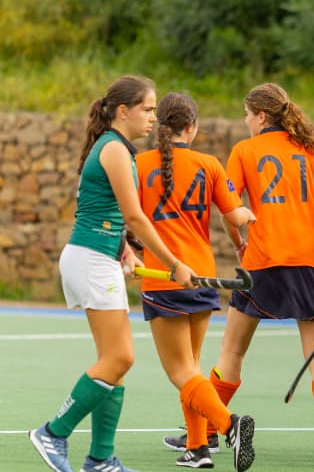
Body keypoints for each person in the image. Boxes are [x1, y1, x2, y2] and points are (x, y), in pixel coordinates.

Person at [29, 75, 195, 472]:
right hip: (89, 259)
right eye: (148, 109)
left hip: (99, 256)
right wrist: (174, 263)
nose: (154, 118)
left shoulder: (117, 148)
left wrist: (125, 251)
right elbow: (136, 215)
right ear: (124, 111)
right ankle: (53, 432)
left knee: (113, 364)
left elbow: (108, 211)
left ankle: (101, 459)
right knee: (120, 357)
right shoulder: (115, 150)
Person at [190, 82, 314, 463]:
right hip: (306, 262)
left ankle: (205, 434)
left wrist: (239, 244)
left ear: (261, 116)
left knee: (232, 349)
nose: (246, 122)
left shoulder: (244, 151)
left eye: (247, 116)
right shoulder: (313, 148)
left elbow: (228, 208)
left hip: (262, 261)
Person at [136, 92, 256, 470]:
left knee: (180, 372)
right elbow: (236, 216)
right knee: (193, 367)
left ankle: (228, 425)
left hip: (166, 277)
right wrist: (250, 213)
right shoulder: (209, 163)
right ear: (192, 127)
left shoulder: (139, 163)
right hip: (202, 276)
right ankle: (196, 448)